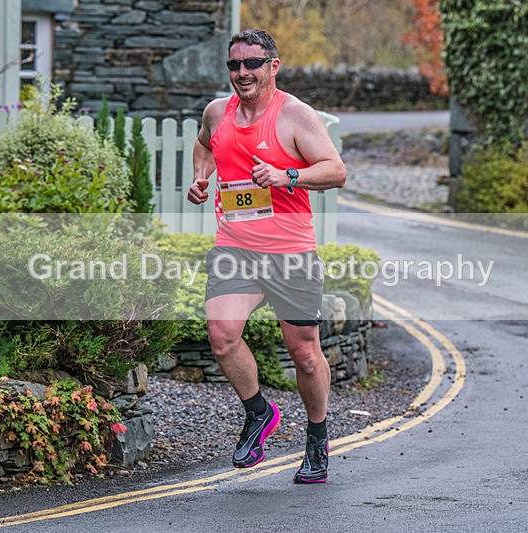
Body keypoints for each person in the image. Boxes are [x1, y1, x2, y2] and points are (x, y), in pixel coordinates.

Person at [187, 29, 346, 484]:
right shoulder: (217, 112)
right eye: (234, 65)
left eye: (252, 63)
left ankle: (317, 435)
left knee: (305, 355)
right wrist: (202, 178)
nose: (242, 73)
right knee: (221, 336)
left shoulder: (296, 115)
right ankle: (258, 412)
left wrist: (286, 175)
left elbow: (335, 171)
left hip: (289, 252)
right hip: (235, 246)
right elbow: (204, 145)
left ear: (273, 66)